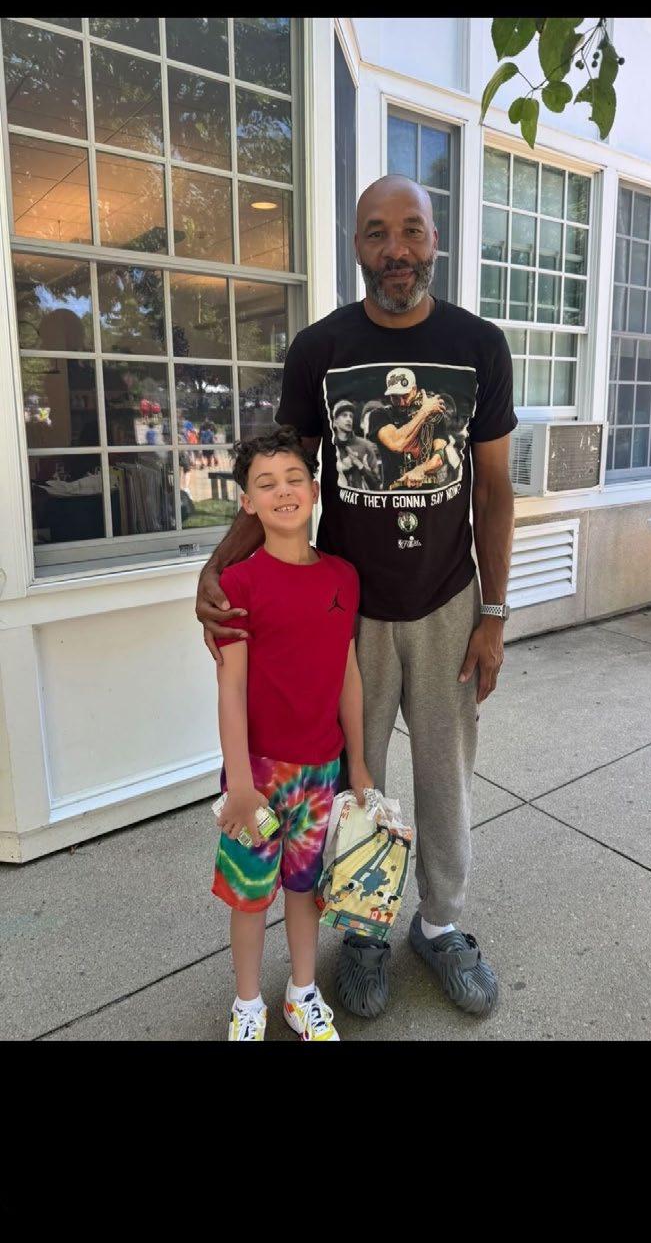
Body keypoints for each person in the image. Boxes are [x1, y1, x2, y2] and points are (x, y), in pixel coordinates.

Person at [197, 174, 517, 1022]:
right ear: (356, 246)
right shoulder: (321, 348)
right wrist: (218, 569)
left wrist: (493, 615)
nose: (396, 249)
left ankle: (439, 924)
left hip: (448, 600)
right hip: (347, 610)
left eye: (411, 230)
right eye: (377, 232)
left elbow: (493, 490)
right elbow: (284, 476)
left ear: (435, 240)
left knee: (444, 779)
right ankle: (363, 932)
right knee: (350, 787)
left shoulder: (478, 345)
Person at [211, 424, 372, 1041]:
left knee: (305, 889)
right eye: (266, 483)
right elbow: (230, 687)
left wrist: (358, 763)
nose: (283, 491)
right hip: (256, 776)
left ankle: (302, 992)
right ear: (247, 502)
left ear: (315, 489)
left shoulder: (343, 576)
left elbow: (348, 673)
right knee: (250, 895)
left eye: (294, 478)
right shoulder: (238, 585)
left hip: (321, 771)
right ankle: (248, 1003)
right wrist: (239, 784)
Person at [331, 398, 382, 490]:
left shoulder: (364, 446)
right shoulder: (328, 447)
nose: (348, 419)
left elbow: (377, 486)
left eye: (351, 416)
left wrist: (360, 466)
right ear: (335, 421)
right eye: (344, 415)